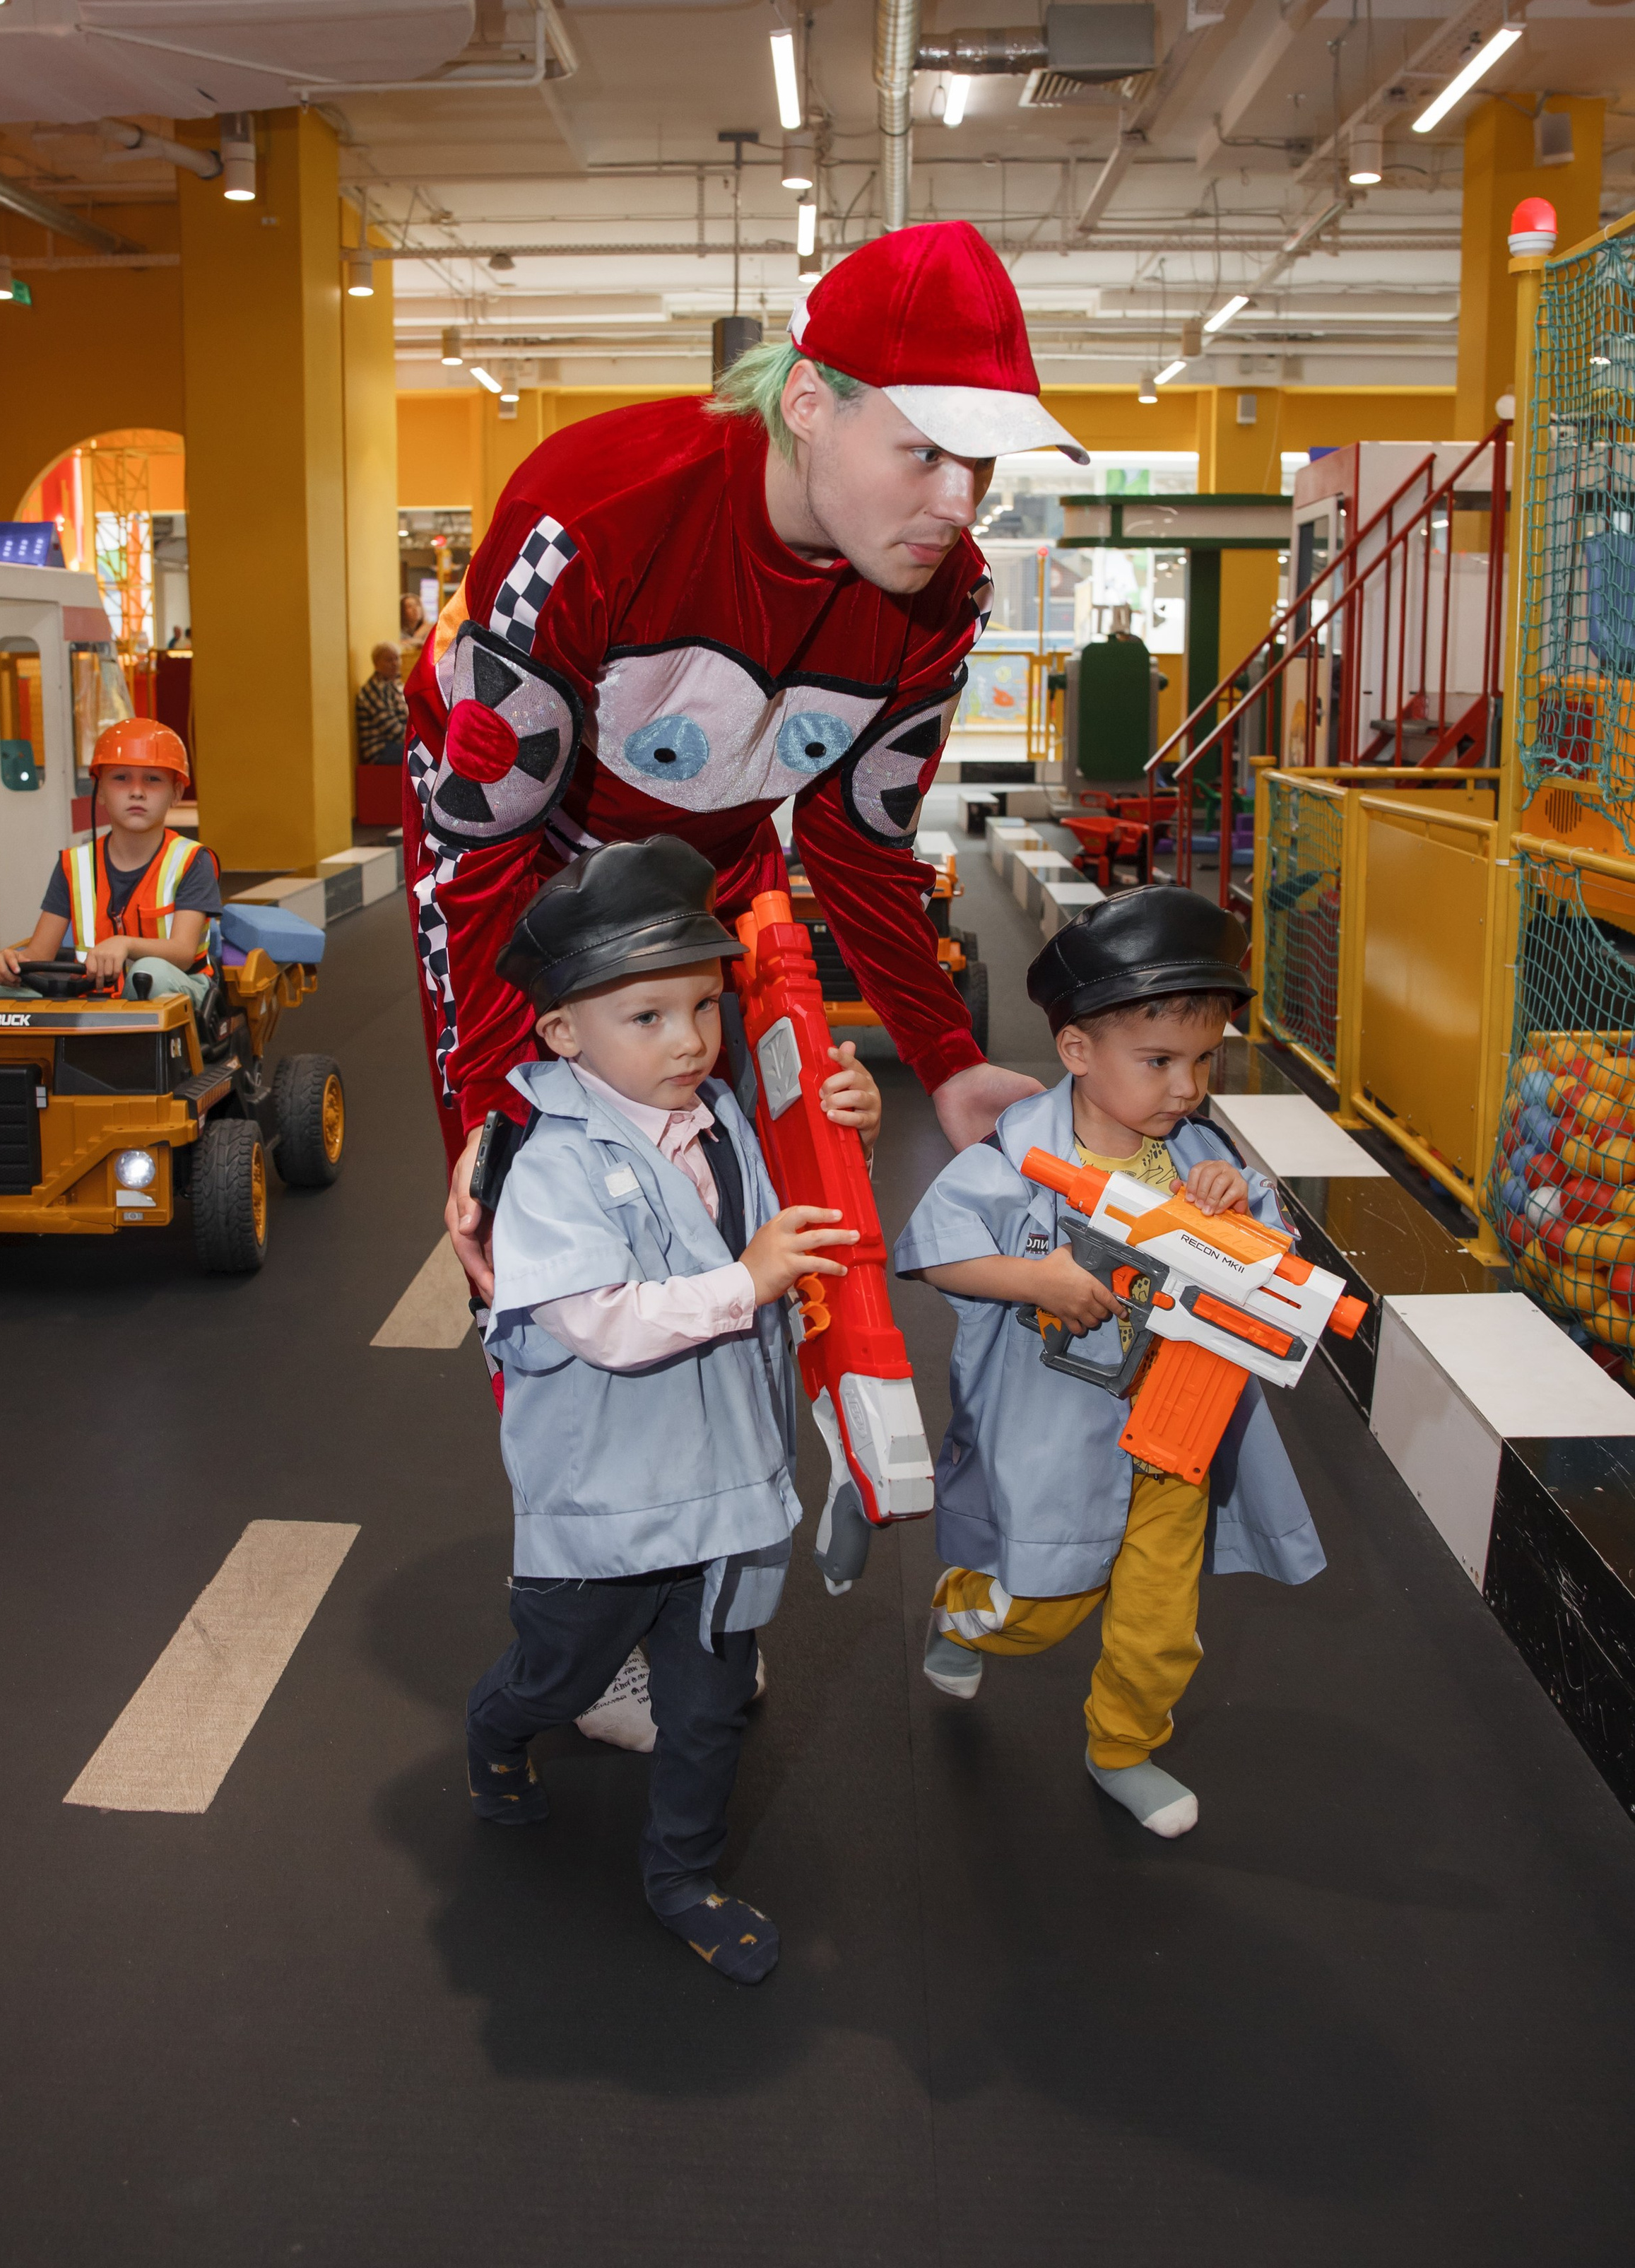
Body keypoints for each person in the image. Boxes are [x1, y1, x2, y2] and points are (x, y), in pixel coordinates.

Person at [401, 220, 1090, 1303]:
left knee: (719, 1164)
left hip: (712, 847)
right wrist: (491, 1103)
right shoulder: (586, 520)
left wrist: (947, 1056)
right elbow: (481, 849)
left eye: (982, 462)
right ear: (808, 403)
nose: (962, 505)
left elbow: (860, 846)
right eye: (926, 452)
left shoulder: (945, 594)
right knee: (536, 1196)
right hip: (525, 851)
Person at [469, 836, 880, 1983]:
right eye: (646, 1017)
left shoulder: (720, 1116)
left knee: (709, 1710)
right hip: (605, 1509)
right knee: (555, 1677)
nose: (691, 1040)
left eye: (703, 1006)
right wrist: (746, 1282)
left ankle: (682, 1875)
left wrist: (846, 1127)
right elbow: (603, 1322)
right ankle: (496, 1735)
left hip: (726, 1491)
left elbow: (799, 1217)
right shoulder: (551, 1166)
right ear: (564, 1034)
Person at [894, 888, 1325, 1840]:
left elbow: (1274, 1263)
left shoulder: (1204, 1156)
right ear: (1078, 1051)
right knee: (1039, 1608)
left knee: (1161, 1625)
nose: (1187, 1087)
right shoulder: (1016, 1156)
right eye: (1159, 1061)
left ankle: (1123, 1749)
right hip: (1058, 1434)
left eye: (1204, 1060)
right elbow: (931, 1250)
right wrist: (1035, 1279)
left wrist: (1237, 1209)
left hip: (1177, 1433)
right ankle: (962, 1611)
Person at [0, 718, 219, 1004]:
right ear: (100, 792)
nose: (137, 791)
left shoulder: (192, 861)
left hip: (179, 994)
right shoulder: (74, 864)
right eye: (121, 778)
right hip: (94, 999)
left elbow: (183, 953)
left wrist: (126, 944)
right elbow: (39, 958)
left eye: (153, 779)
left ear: (177, 794)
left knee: (149, 973)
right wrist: (10, 965)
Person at [356, 641, 409, 769]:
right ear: (376, 664)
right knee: (427, 753)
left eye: (397, 659)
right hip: (380, 750)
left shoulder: (394, 685)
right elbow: (392, 730)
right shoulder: (374, 689)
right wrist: (419, 741)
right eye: (389, 660)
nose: (395, 663)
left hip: (394, 744)